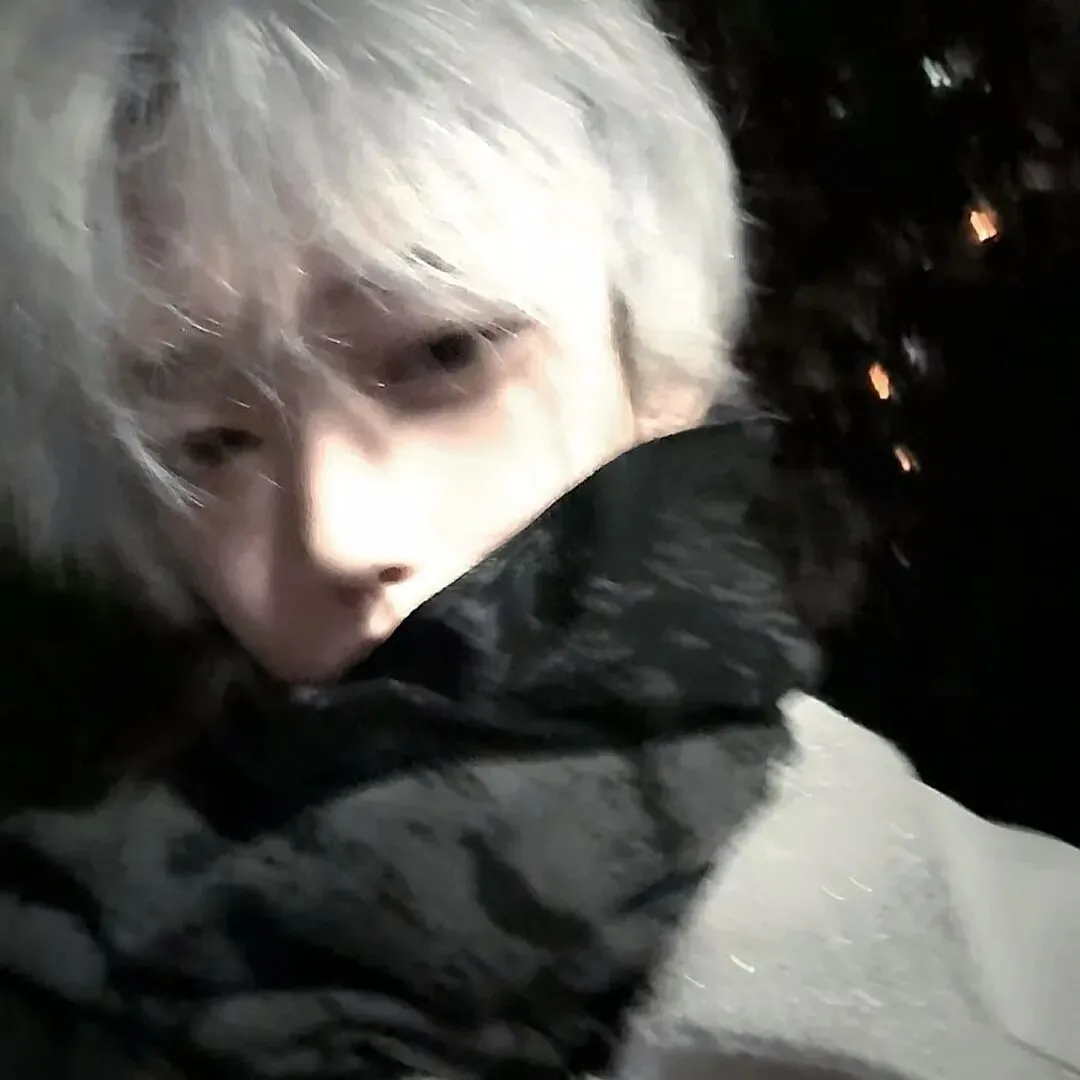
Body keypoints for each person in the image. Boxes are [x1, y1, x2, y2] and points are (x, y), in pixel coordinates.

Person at [0, 1, 1077, 1078]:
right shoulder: (68, 956)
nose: (337, 532)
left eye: (444, 355)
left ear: (658, 367)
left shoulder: (1036, 986)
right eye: (212, 443)